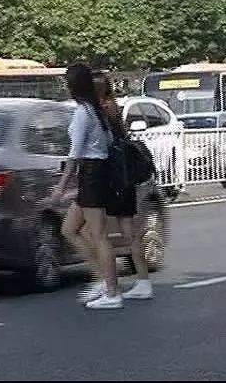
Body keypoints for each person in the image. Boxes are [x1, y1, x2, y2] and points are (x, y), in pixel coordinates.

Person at [53, 63, 122, 310]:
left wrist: (61, 186)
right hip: (93, 174)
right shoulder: (93, 111)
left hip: (92, 173)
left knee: (99, 235)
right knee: (69, 229)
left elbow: (76, 153)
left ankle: (113, 292)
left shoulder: (84, 112)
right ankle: (104, 279)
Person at [94, 73, 154, 300]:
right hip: (123, 176)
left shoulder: (106, 109)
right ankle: (141, 280)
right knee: (127, 230)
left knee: (123, 231)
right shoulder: (112, 106)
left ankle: (131, 282)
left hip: (117, 177)